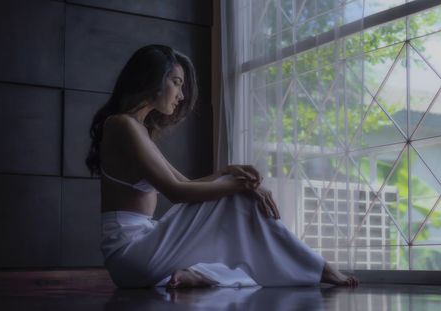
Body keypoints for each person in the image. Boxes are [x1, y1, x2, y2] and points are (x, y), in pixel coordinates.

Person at [86, 44, 358, 289]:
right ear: (151, 80)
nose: (181, 95)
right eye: (176, 83)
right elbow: (177, 192)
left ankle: (194, 275)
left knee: (242, 265)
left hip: (142, 248)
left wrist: (227, 173)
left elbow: (187, 184)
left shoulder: (136, 129)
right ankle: (317, 267)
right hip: (130, 253)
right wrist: (244, 187)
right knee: (239, 201)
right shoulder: (122, 125)